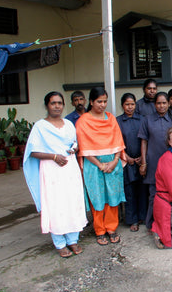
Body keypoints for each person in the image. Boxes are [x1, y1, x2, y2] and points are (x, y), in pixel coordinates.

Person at [23, 91, 87, 258]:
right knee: (56, 205)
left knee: (72, 202)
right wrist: (53, 156)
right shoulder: (40, 127)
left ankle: (73, 240)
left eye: (59, 103)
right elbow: (33, 151)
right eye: (53, 103)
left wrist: (74, 148)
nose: (57, 106)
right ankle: (59, 243)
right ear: (47, 105)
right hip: (52, 170)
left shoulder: (68, 124)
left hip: (69, 168)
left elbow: (75, 143)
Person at [76, 87, 126, 245]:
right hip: (93, 166)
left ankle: (111, 228)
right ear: (91, 102)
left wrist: (114, 161)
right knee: (97, 197)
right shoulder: (83, 121)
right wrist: (100, 165)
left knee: (112, 197)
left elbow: (119, 142)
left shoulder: (111, 118)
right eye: (99, 101)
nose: (103, 104)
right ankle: (99, 230)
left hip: (113, 163)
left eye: (105, 101)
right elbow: (83, 147)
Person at [138, 92, 172, 230]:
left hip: (171, 163)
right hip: (153, 162)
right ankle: (151, 223)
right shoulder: (147, 120)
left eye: (164, 103)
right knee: (154, 194)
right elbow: (144, 141)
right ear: (154, 105)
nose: (162, 106)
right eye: (159, 103)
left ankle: (169, 223)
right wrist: (144, 162)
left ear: (168, 104)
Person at [116, 93, 146, 232]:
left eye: (132, 104)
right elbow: (116, 142)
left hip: (141, 160)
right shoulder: (117, 122)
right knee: (129, 191)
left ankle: (143, 217)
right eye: (127, 104)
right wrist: (125, 156)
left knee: (142, 189)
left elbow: (146, 139)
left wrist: (142, 157)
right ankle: (132, 220)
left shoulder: (142, 119)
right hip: (125, 161)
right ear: (122, 105)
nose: (130, 107)